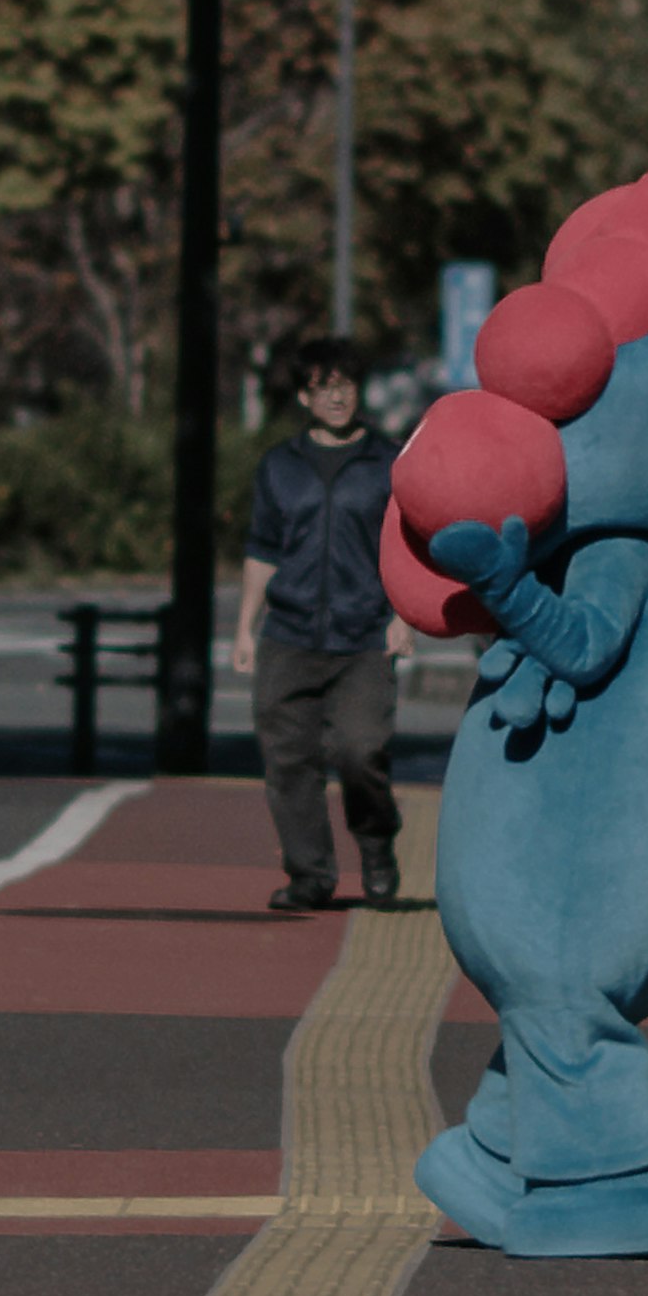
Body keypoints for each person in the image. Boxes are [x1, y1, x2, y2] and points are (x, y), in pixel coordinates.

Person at [232, 333, 411, 914]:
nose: (336, 397)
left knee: (361, 751)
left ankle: (377, 844)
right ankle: (310, 874)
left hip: (364, 636)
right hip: (289, 636)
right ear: (304, 398)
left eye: (344, 385)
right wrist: (243, 629)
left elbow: (408, 545)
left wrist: (403, 616)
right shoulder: (280, 467)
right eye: (322, 388)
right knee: (289, 761)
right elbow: (263, 550)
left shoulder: (387, 462)